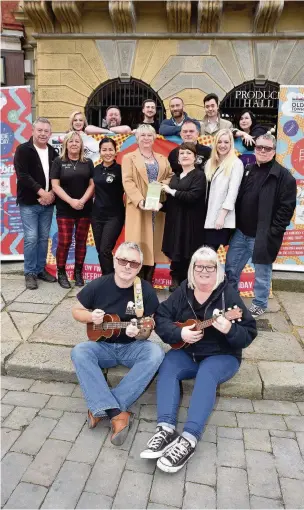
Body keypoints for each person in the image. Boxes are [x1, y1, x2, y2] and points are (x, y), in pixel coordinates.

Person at [140, 246, 257, 473]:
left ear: (217, 271)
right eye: (199, 266)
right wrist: (179, 334)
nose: (204, 271)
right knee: (168, 364)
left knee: (207, 373)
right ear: (192, 269)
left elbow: (249, 333)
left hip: (221, 356)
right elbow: (161, 316)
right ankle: (165, 428)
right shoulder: (184, 291)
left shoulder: (229, 296)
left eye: (210, 267)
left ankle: (189, 439)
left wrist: (230, 329)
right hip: (188, 352)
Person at [71, 241, 164, 446]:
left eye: (133, 263)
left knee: (156, 354)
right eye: (123, 260)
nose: (127, 266)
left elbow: (149, 327)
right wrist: (90, 316)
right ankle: (117, 413)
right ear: (115, 261)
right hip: (103, 346)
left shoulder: (145, 290)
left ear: (140, 267)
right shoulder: (99, 285)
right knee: (79, 352)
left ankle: (104, 406)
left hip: (132, 347)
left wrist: (139, 331)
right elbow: (76, 311)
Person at [225, 134, 297, 318]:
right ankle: (232, 301)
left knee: (262, 274)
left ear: (274, 151)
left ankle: (259, 304)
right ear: (254, 148)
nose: (263, 151)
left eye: (267, 148)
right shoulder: (248, 169)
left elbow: (286, 209)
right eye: (259, 147)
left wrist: (273, 231)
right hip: (241, 232)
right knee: (231, 269)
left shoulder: (283, 176)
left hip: (263, 234)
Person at [122, 124, 173, 283]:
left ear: (154, 138)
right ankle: (136, 282)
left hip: (156, 206)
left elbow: (171, 176)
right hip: (139, 207)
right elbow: (128, 181)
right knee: (137, 244)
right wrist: (140, 201)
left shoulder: (162, 159)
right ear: (137, 138)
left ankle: (148, 282)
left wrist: (160, 187)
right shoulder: (129, 158)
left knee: (154, 244)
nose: (146, 138)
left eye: (149, 135)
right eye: (142, 135)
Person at [14, 117, 58, 290]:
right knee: (31, 238)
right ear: (32, 131)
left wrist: (51, 194)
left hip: (47, 204)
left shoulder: (53, 152)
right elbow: (23, 175)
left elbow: (57, 176)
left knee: (42, 238)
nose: (42, 134)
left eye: (46, 131)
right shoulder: (23, 150)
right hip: (29, 203)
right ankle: (30, 272)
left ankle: (40, 270)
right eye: (39, 130)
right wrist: (42, 193)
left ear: (50, 134)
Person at [50, 131, 95, 289]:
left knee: (81, 242)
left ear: (81, 144)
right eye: (71, 141)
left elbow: (92, 184)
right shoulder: (58, 162)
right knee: (65, 242)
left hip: (84, 208)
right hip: (65, 208)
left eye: (77, 141)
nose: (74, 144)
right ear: (66, 144)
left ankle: (78, 272)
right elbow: (55, 185)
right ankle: (61, 272)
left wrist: (81, 201)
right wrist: (71, 201)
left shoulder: (88, 162)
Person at [161, 143, 206, 292]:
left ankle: (188, 281)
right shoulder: (176, 176)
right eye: (182, 153)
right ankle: (175, 279)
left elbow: (193, 196)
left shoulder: (199, 175)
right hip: (174, 220)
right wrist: (160, 206)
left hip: (190, 221)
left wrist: (170, 191)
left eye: (188, 153)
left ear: (195, 157)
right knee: (175, 249)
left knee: (188, 250)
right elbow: (172, 200)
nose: (185, 155)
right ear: (178, 159)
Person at [204, 129, 244, 252]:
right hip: (206, 213)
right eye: (219, 142)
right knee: (205, 251)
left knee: (210, 251)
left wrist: (221, 216)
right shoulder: (210, 162)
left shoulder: (236, 163)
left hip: (220, 216)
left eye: (226, 142)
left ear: (231, 144)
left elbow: (233, 193)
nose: (222, 145)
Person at [92, 138, 125, 275]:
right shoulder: (95, 169)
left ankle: (110, 280)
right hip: (96, 215)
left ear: (116, 151)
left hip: (114, 216)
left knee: (106, 249)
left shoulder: (121, 170)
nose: (107, 153)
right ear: (100, 152)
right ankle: (108, 278)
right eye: (104, 150)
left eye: (110, 149)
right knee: (100, 250)